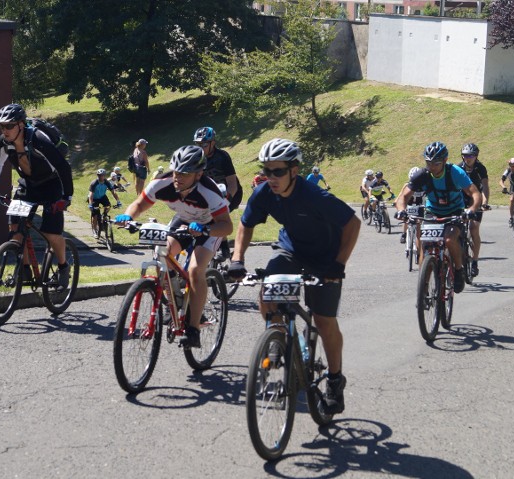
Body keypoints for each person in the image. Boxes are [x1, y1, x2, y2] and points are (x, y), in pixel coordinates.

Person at [227, 138, 361, 415]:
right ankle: (277, 337)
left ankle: (335, 381)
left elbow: (352, 223)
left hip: (326, 258)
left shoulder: (314, 196)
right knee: (268, 290)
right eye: (267, 171)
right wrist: (237, 259)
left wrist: (339, 265)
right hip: (291, 250)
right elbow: (245, 223)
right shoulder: (264, 193)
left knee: (324, 322)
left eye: (278, 172)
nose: (271, 178)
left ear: (294, 171)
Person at [114, 145, 233, 349]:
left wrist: (206, 229)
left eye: (185, 174)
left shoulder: (209, 191)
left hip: (209, 228)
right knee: (163, 253)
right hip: (184, 221)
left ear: (198, 174)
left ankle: (193, 330)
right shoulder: (163, 183)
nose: (178, 177)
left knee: (196, 270)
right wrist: (128, 216)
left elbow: (227, 226)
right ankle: (175, 301)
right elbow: (140, 204)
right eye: (176, 171)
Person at [0, 103, 74, 288]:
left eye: (9, 126)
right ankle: (24, 270)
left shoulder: (39, 140)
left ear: (21, 125)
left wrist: (66, 198)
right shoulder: (4, 142)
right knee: (15, 228)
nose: (5, 130)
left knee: (51, 232)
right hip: (28, 185)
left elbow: (63, 167)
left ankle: (63, 267)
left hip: (51, 185)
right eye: (2, 126)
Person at [395, 142, 482, 294]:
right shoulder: (423, 175)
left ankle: (459, 270)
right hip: (433, 211)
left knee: (449, 239)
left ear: (445, 160)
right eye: (428, 162)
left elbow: (475, 194)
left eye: (436, 163)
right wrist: (402, 210)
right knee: (425, 243)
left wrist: (471, 209)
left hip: (454, 211)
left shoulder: (455, 172)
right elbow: (403, 196)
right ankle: (424, 285)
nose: (432, 167)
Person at [194, 126, 241, 261]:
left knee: (218, 217)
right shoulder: (197, 158)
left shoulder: (222, 157)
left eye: (204, 144)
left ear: (212, 143)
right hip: (212, 193)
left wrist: (226, 200)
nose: (200, 147)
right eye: (197, 144)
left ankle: (224, 249)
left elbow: (232, 183)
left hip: (232, 192)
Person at [458, 143, 490, 277]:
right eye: (465, 156)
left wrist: (485, 202)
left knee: (473, 227)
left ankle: (475, 261)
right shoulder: (458, 167)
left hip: (475, 200)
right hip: (460, 199)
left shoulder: (480, 168)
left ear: (476, 156)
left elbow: (485, 187)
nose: (467, 158)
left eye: (470, 156)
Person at [88, 168, 121, 238]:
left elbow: (113, 192)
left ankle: (103, 216)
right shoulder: (94, 183)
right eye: (99, 175)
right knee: (95, 215)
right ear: (97, 175)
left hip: (102, 196)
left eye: (102, 175)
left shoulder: (106, 182)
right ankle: (94, 230)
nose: (101, 177)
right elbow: (91, 195)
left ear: (104, 176)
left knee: (108, 206)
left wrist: (118, 201)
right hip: (94, 198)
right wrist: (90, 205)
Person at [399, 166, 426, 246]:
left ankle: (418, 244)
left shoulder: (424, 186)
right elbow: (401, 195)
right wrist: (399, 204)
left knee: (419, 224)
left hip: (420, 205)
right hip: (409, 205)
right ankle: (404, 233)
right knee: (406, 219)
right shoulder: (407, 185)